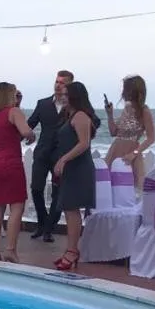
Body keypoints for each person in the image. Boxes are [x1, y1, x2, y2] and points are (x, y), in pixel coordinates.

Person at [0, 81, 35, 262]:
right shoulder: (13, 112)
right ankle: (10, 250)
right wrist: (31, 135)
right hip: (10, 163)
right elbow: (26, 131)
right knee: (16, 206)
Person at [51, 82, 100, 271]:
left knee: (72, 210)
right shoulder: (69, 115)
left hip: (79, 167)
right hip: (72, 168)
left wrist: (64, 159)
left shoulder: (80, 116)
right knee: (69, 209)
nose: (62, 97)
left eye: (65, 94)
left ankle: (72, 250)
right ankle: (70, 249)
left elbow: (84, 143)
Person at [28, 70, 74, 242]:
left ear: (69, 85)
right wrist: (22, 135)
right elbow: (30, 124)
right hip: (42, 153)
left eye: (62, 82)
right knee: (36, 189)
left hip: (61, 155)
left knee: (58, 193)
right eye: (56, 81)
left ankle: (48, 228)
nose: (58, 85)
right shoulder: (43, 103)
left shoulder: (73, 106)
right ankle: (42, 222)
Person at [103, 75, 155, 191]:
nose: (123, 92)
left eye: (125, 89)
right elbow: (114, 132)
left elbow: (151, 138)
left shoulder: (144, 111)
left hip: (131, 153)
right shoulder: (126, 109)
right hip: (115, 150)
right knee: (111, 188)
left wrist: (134, 153)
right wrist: (110, 115)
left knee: (131, 190)